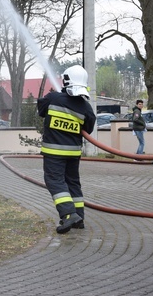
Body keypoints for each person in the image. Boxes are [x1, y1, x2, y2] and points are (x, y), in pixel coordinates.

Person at [38, 65, 96, 234]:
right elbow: (89, 128)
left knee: (55, 181)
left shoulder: (53, 98)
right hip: (73, 154)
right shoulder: (86, 107)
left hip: (54, 153)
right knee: (72, 183)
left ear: (66, 80)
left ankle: (69, 215)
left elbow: (41, 110)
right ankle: (79, 217)